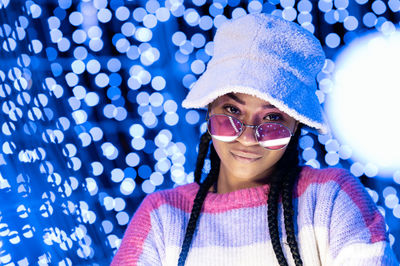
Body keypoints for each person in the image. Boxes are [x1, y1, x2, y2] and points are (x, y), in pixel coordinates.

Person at [111, 13, 398, 265]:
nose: (248, 138)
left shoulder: (332, 199)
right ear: (209, 109)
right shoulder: (161, 217)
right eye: (232, 110)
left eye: (272, 119)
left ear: (295, 126)